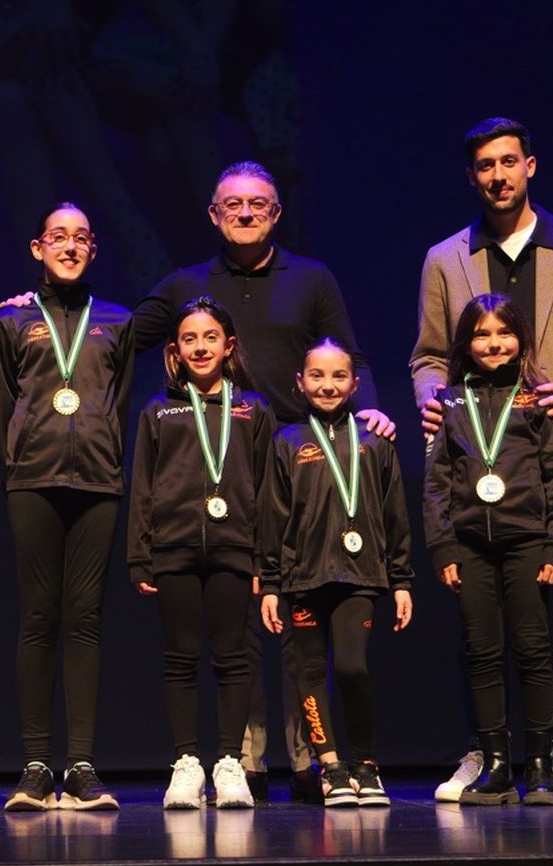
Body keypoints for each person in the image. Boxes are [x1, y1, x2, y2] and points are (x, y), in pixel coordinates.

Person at [133, 162, 397, 803]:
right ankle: (242, 758)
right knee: (240, 627)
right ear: (214, 215)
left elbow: (351, 356)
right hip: (217, 470)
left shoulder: (311, 278)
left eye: (258, 204)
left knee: (296, 614)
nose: (246, 213)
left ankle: (311, 760)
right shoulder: (187, 283)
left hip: (299, 464)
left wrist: (371, 410)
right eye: (233, 205)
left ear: (276, 213)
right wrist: (38, 304)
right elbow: (120, 336)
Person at [411, 118, 553, 802]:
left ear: (530, 166)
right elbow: (428, 356)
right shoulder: (446, 258)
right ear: (472, 176)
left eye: (509, 162)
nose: (498, 175)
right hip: (481, 477)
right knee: (482, 627)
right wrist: (432, 400)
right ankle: (486, 752)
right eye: (486, 165)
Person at [0, 202, 134, 811]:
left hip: (98, 482)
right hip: (32, 478)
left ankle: (80, 766)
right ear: (38, 248)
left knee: (84, 619)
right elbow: (4, 401)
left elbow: (118, 402)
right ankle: (34, 767)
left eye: (81, 238)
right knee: (37, 618)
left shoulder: (118, 321)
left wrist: (105, 454)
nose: (70, 246)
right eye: (58, 237)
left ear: (93, 249)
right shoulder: (11, 319)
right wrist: (18, 464)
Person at [424, 293, 553, 805]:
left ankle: (541, 764)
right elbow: (437, 483)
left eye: (504, 332)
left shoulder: (539, 400)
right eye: (482, 334)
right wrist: (443, 546)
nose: (494, 343)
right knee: (482, 652)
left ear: (521, 338)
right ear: (465, 343)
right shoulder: (448, 402)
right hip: (469, 547)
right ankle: (494, 765)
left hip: (529, 543)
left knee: (532, 650)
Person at [128, 298, 274, 810]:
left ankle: (229, 761)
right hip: (173, 547)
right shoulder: (158, 410)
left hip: (236, 548)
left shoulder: (253, 409)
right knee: (180, 657)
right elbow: (142, 485)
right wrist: (139, 554)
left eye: (210, 337)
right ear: (174, 350)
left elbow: (267, 489)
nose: (200, 347)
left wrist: (264, 560)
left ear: (229, 345)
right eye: (189, 339)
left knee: (233, 657)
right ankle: (186, 764)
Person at [259, 338, 413, 809]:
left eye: (338, 376)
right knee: (309, 672)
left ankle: (365, 764)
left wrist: (402, 580)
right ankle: (330, 766)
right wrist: (270, 584)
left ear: (354, 384)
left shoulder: (375, 442)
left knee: (351, 668)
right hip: (303, 578)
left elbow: (396, 514)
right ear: (300, 382)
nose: (327, 385)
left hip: (361, 574)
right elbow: (273, 517)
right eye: (317, 375)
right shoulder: (286, 442)